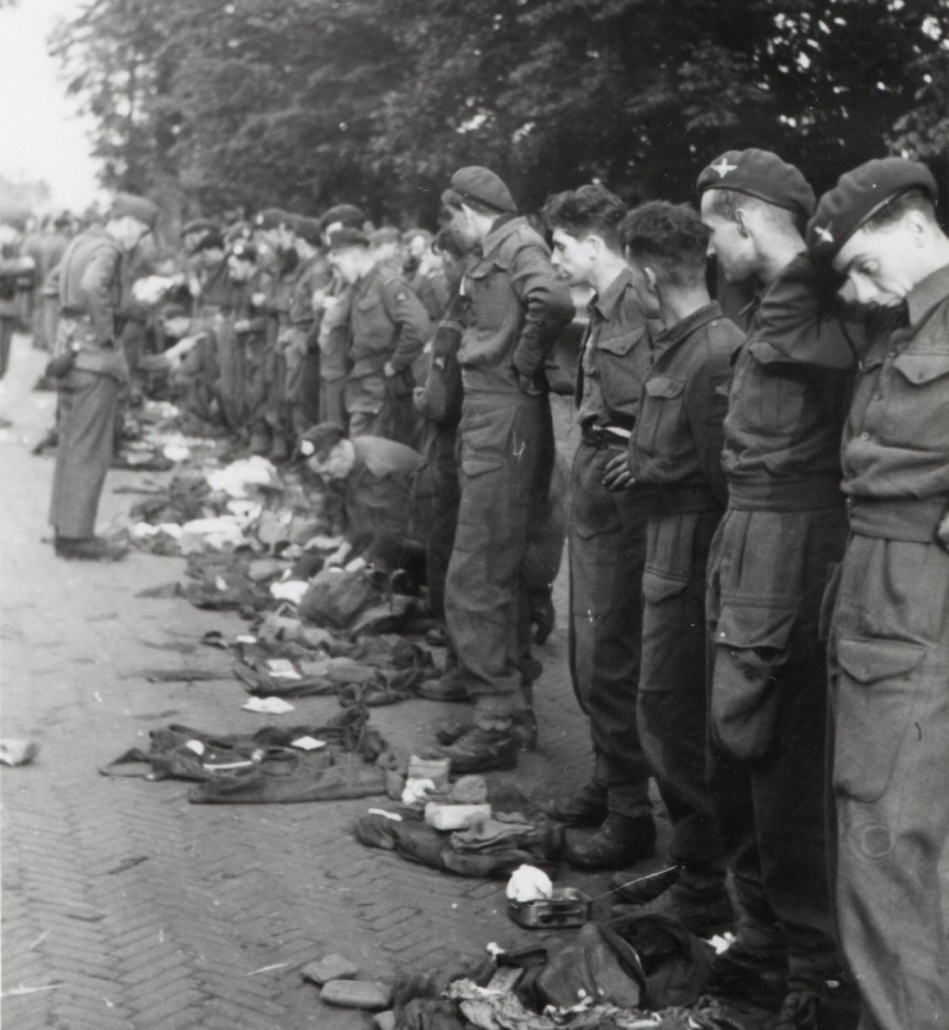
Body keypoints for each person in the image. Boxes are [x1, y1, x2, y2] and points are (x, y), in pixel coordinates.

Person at [752, 157, 949, 1030]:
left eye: (866, 264)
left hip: (918, 594)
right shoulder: (889, 322)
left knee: (885, 847)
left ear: (917, 224)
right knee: (880, 844)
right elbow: (784, 328)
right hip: (869, 590)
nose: (857, 290)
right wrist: (825, 246)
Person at [696, 150, 854, 1027]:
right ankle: (762, 942)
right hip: (748, 538)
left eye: (714, 229)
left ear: (747, 221)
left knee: (780, 762)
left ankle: (811, 972)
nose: (709, 250)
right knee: (734, 749)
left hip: (792, 546)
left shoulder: (820, 302)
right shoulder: (770, 304)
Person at [615, 200, 739, 933]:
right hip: (667, 545)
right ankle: (695, 868)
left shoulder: (715, 352)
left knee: (674, 719)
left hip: (691, 554)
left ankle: (703, 888)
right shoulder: (686, 343)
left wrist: (650, 470)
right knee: (664, 712)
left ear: (649, 276)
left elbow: (727, 481)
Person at [427, 166, 574, 774]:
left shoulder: (515, 244)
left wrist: (524, 360)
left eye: (452, 217)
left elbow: (556, 300)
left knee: (477, 574)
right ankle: (512, 711)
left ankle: (496, 722)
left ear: (467, 210)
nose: (451, 228)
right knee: (497, 568)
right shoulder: (500, 247)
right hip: (491, 411)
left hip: (504, 412)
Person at [540, 184, 657, 870]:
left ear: (592, 244)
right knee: (589, 645)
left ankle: (630, 811)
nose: (554, 260)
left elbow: (673, 393)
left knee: (611, 651)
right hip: (595, 475)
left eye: (560, 246)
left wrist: (642, 452)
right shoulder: (607, 304)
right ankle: (610, 776)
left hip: (622, 487)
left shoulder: (642, 301)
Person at [48, 192, 159, 560]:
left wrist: (71, 327)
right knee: (91, 450)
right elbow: (93, 286)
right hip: (95, 360)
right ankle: (77, 536)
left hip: (71, 355)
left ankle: (64, 527)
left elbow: (55, 286)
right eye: (140, 232)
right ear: (127, 222)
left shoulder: (80, 242)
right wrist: (106, 333)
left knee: (70, 445)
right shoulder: (108, 249)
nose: (137, 241)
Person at [328, 227, 430, 443]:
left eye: (337, 265)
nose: (338, 273)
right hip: (363, 383)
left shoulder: (387, 283)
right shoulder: (360, 286)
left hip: (380, 385)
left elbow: (418, 327)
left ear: (352, 255)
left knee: (366, 448)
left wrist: (396, 363)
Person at [313, 204, 368, 428]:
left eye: (333, 233)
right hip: (335, 355)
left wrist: (327, 304)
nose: (329, 241)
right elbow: (317, 301)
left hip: (351, 358)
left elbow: (336, 313)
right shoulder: (338, 269)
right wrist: (325, 303)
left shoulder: (360, 269)